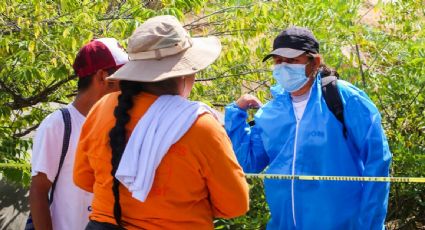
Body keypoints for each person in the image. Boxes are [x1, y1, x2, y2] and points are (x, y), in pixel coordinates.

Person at [73, 15, 249, 230]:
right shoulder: (199, 125)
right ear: (185, 73)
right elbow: (235, 205)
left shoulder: (102, 108)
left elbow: (82, 179)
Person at [225, 26, 392, 229]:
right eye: (278, 61)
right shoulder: (271, 112)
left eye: (292, 60)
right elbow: (249, 163)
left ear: (315, 62)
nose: (284, 66)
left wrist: (370, 224)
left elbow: (378, 161)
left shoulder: (343, 98)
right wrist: (236, 114)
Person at [29, 38, 128, 230]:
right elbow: (38, 191)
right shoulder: (58, 124)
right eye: (124, 77)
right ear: (102, 77)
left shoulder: (120, 121)